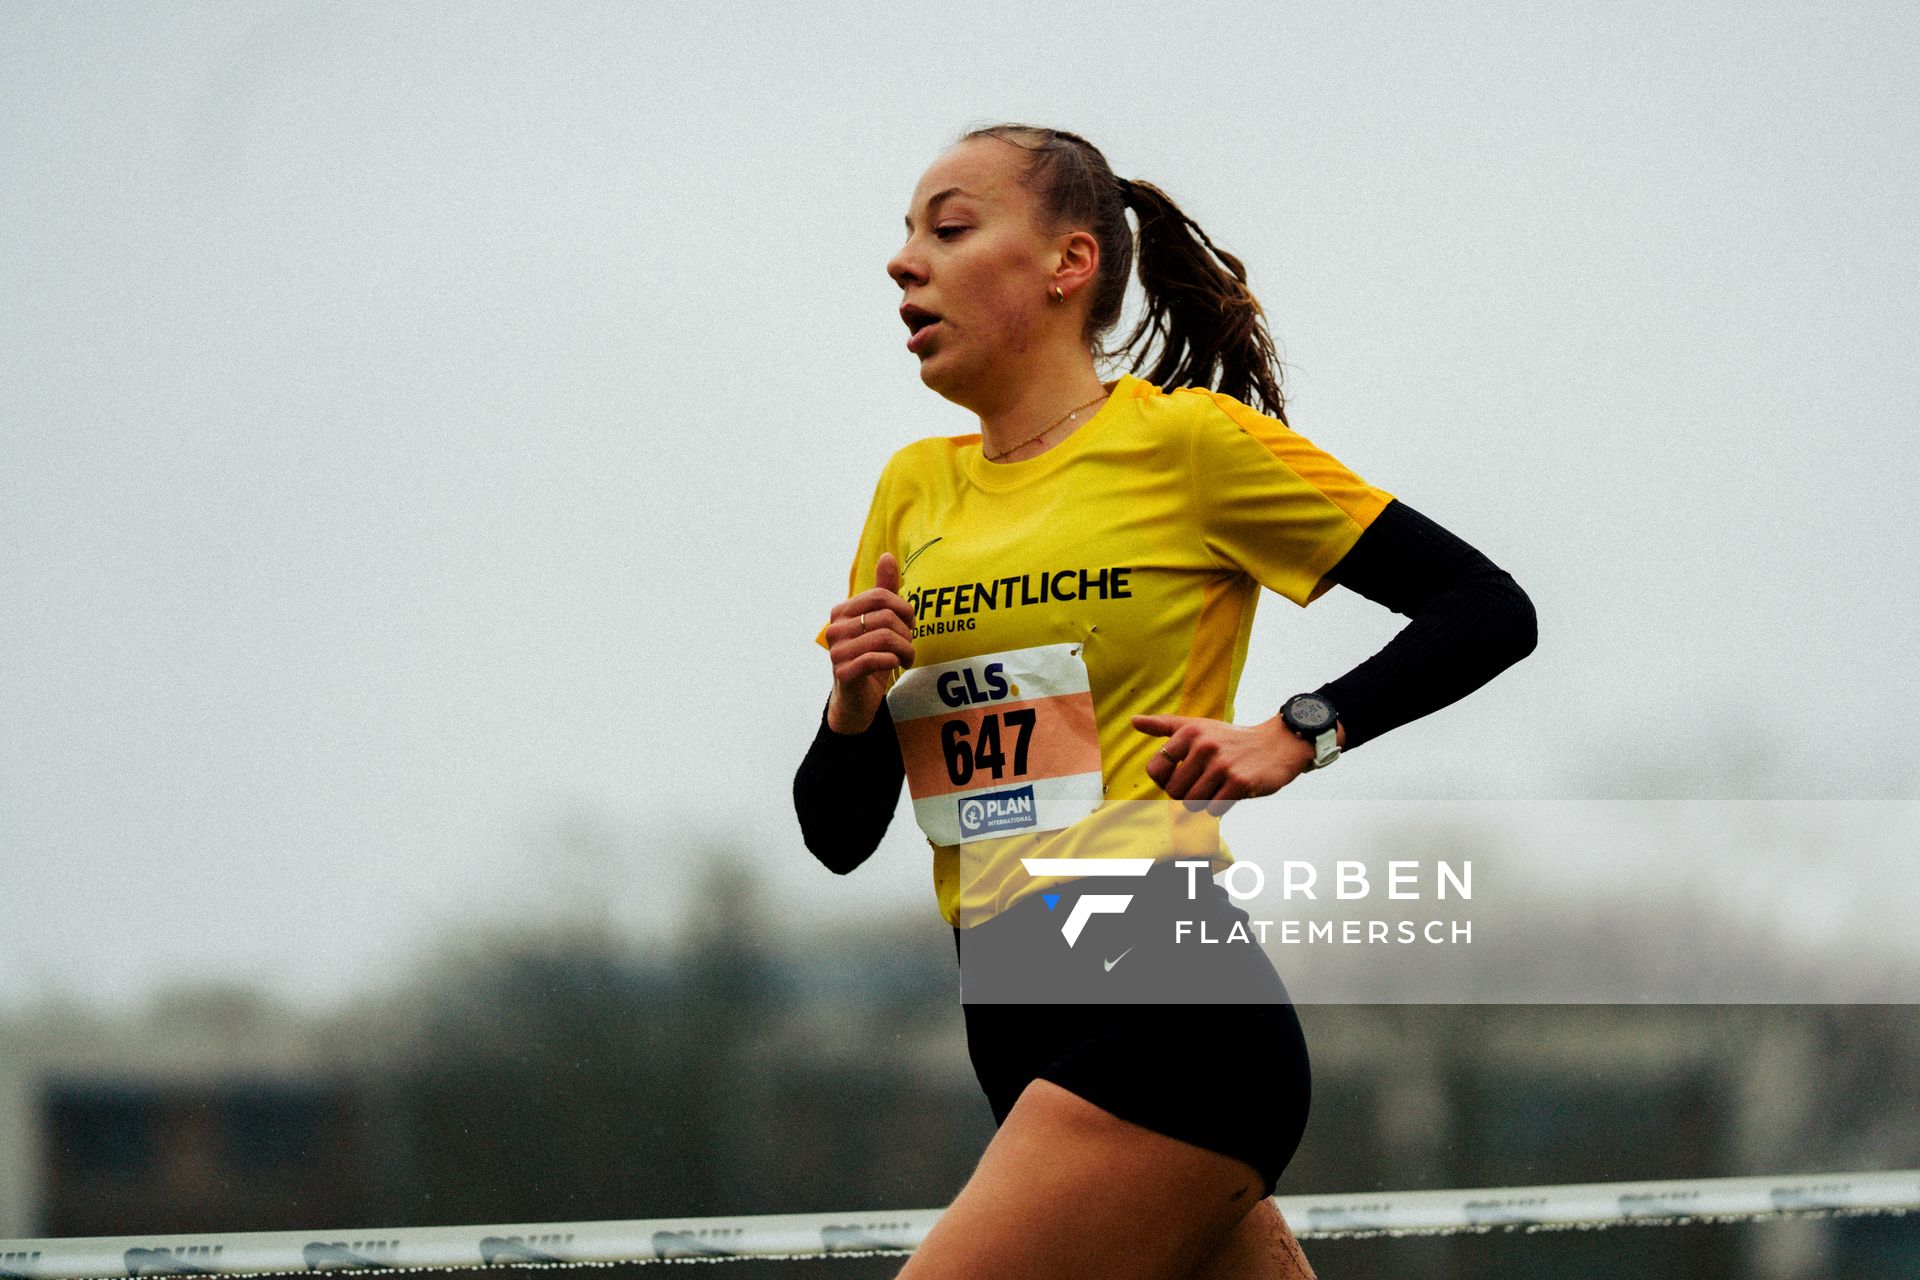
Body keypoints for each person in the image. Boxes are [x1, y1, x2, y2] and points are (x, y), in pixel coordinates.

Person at [793, 124, 1535, 1280]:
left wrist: (1302, 729)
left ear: (1069, 261)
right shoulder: (914, 488)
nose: (904, 260)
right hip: (1006, 1010)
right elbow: (840, 834)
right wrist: (853, 704)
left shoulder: (1187, 443)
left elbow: (1486, 606)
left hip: (1160, 1008)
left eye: (949, 228)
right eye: (905, 236)